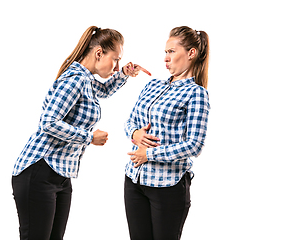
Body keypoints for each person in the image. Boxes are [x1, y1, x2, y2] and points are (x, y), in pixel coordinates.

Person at [12, 26, 151, 240]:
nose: (116, 66)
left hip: (59, 175)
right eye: (115, 59)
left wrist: (124, 74)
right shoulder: (75, 79)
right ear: (98, 53)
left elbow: (103, 90)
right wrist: (89, 137)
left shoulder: (86, 79)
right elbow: (48, 122)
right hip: (39, 170)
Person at [124, 26, 210, 240]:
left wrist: (149, 154)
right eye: (165, 52)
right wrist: (134, 133)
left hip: (168, 187)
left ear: (191, 53)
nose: (165, 58)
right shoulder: (152, 85)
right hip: (134, 180)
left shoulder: (196, 93)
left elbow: (194, 145)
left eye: (171, 51)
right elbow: (130, 121)